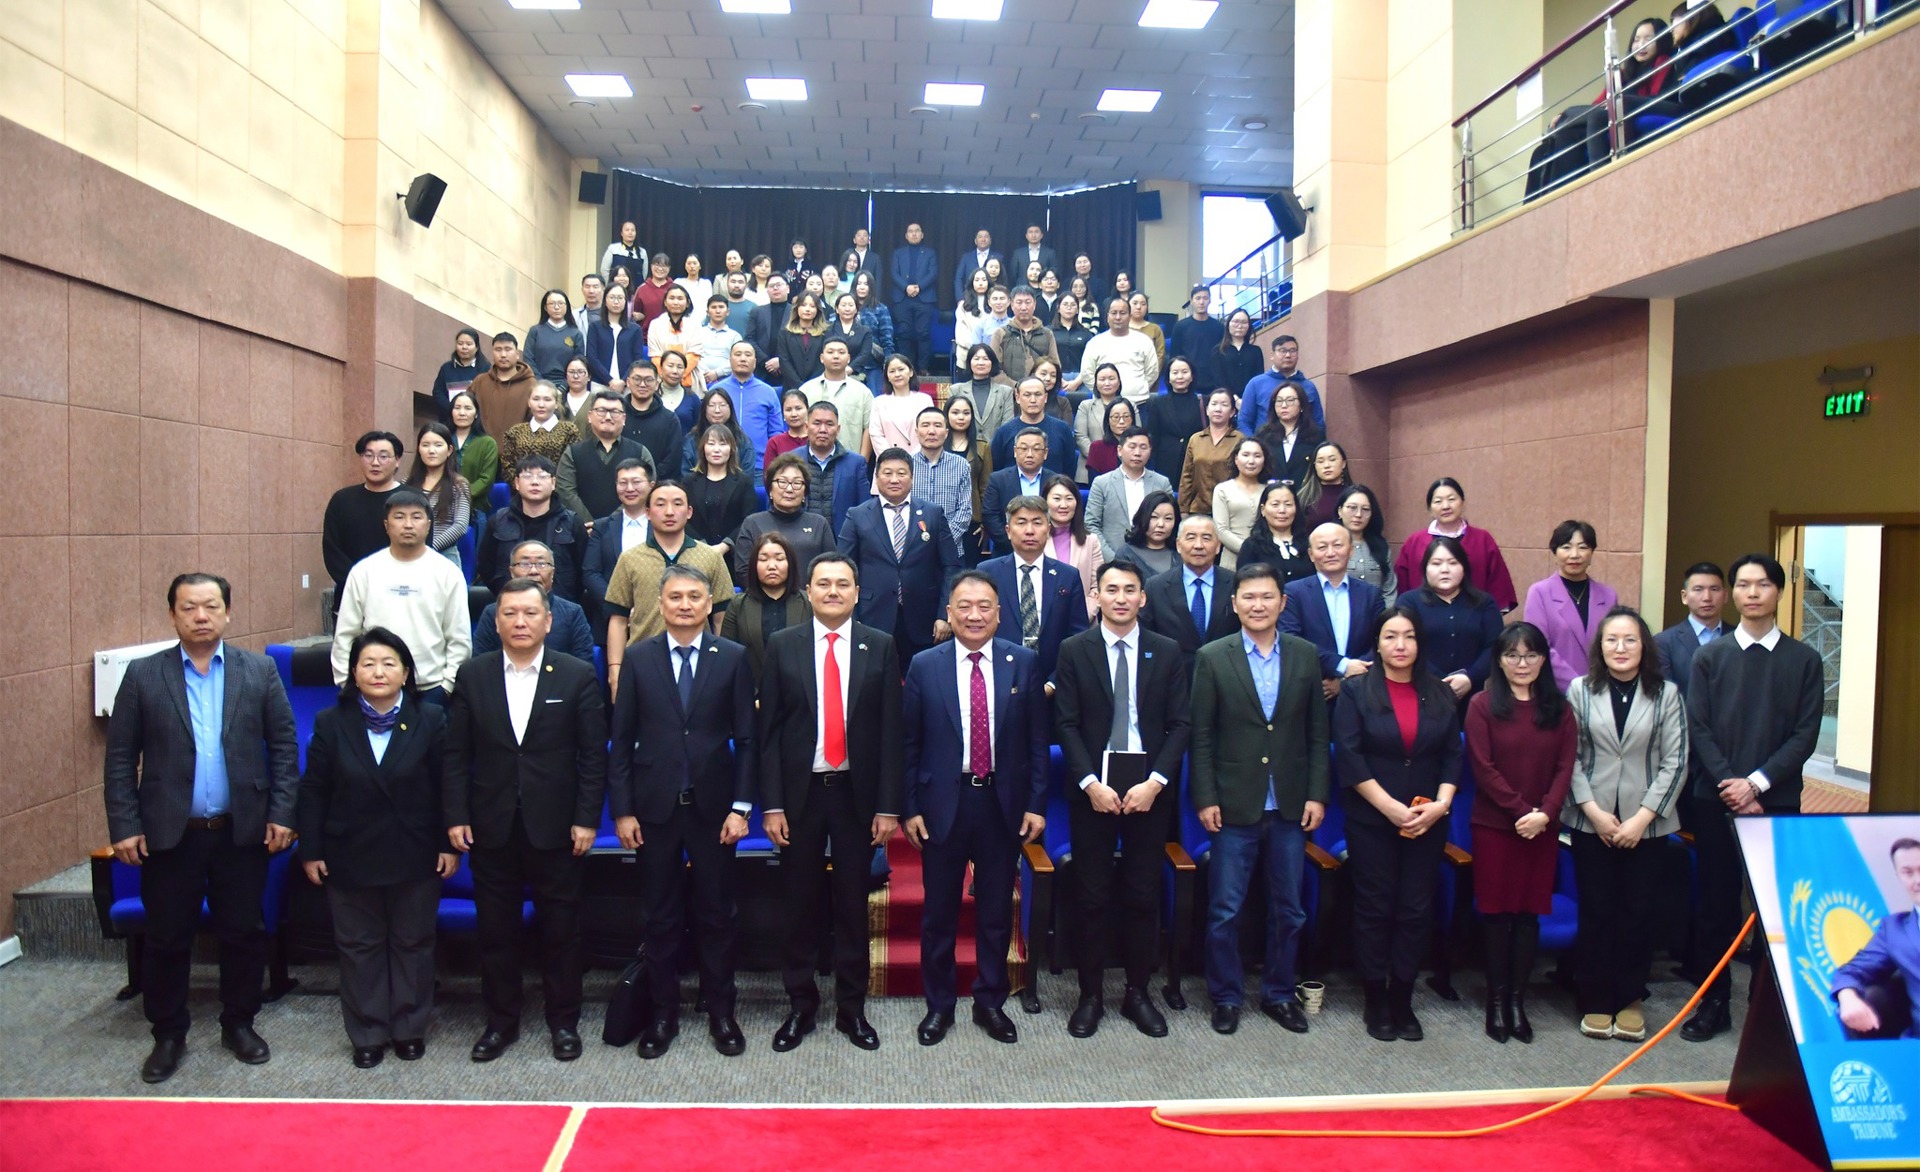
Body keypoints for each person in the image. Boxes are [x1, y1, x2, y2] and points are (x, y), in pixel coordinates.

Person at [103, 573, 300, 1084]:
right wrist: (124, 824)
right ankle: (168, 1033)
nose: (200, 616)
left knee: (243, 932)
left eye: (211, 606)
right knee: (167, 937)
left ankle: (239, 1023)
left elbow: (284, 747)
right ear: (172, 615)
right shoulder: (143, 675)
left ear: (228, 612)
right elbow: (121, 757)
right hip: (171, 831)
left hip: (241, 829)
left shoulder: (259, 671)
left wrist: (282, 813)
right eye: (189, 607)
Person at [445, 579, 607, 1064]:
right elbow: (456, 755)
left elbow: (592, 756)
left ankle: (564, 1022)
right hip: (491, 824)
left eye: (530, 613)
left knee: (562, 930)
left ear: (548, 621)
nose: (520, 622)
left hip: (557, 827)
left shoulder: (577, 674)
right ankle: (500, 1022)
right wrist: (456, 815)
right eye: (510, 613)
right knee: (497, 932)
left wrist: (586, 819)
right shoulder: (473, 674)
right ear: (495, 621)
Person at [607, 566, 757, 1059]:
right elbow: (621, 741)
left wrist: (741, 808)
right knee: (660, 917)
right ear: (660, 603)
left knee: (718, 916)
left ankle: (722, 1013)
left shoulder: (732, 657)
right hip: (654, 811)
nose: (686, 605)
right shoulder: (638, 658)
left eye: (695, 596)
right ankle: (663, 1014)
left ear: (709, 603)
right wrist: (623, 811)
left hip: (715, 812)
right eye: (676, 597)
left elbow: (747, 740)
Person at [758, 553, 904, 1052]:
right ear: (809, 592)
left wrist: (888, 806)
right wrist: (772, 804)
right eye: (824, 583)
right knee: (798, 905)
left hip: (855, 797)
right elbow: (769, 734)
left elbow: (891, 733)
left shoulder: (880, 645)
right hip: (799, 796)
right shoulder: (783, 645)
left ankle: (851, 1009)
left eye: (843, 583)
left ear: (857, 593)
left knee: (852, 906)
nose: (834, 591)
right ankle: (800, 1006)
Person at [297, 628, 457, 1069]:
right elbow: (313, 791)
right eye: (368, 664)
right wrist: (311, 849)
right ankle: (367, 1032)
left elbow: (447, 786)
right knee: (358, 946)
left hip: (415, 851)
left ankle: (408, 1028)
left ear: (406, 673)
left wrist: (448, 843)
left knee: (413, 943)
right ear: (353, 673)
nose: (379, 672)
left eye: (389, 663)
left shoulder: (431, 719)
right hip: (350, 852)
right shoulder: (332, 722)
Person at [1680, 553, 1824, 1042]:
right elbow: (1698, 727)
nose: (1753, 593)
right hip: (1715, 798)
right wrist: (1732, 785)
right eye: (1743, 585)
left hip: (1776, 803)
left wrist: (1757, 784)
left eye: (1763, 584)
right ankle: (1713, 1003)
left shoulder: (1804, 660)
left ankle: (1766, 1008)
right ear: (1732, 594)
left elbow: (1805, 735)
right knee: (1715, 904)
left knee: (1773, 909)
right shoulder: (1710, 657)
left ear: (1779, 592)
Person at [902, 571, 1048, 1046]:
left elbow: (1037, 742)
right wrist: (909, 807)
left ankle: (990, 1002)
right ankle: (939, 1005)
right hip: (943, 803)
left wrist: (1036, 804)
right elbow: (908, 744)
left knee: (994, 912)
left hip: (1002, 805)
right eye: (964, 606)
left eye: (985, 606)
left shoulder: (1023, 662)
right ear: (949, 613)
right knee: (939, 913)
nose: (974, 615)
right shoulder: (925, 665)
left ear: (999, 614)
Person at [1053, 560, 1192, 1038]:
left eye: (1129, 590)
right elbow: (1066, 724)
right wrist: (1090, 784)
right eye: (1111, 589)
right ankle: (1090, 995)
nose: (1120, 598)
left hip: (1148, 790)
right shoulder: (1075, 649)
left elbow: (1180, 725)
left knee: (1141, 893)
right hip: (1093, 790)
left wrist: (1155, 783)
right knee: (1091, 896)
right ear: (1097, 596)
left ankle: (1137, 992)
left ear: (1142, 597)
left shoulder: (1166, 650)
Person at [1190, 562, 1329, 1036]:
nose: (1258, 605)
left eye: (1267, 596)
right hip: (1233, 804)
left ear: (1282, 602)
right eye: (1248, 597)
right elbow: (1201, 736)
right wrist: (1205, 796)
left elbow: (1317, 733)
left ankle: (1279, 993)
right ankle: (1226, 997)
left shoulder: (1305, 655)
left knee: (1289, 909)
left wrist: (1316, 794)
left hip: (1289, 803)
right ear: (1234, 604)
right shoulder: (1213, 657)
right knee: (1225, 909)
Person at [1333, 602, 1462, 1042]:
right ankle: (1375, 998)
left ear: (1420, 642)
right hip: (1372, 819)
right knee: (1375, 908)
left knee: (1415, 909)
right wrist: (1389, 807)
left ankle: (1403, 998)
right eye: (1391, 636)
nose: (1400, 645)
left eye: (1408, 636)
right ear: (1377, 643)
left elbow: (1452, 755)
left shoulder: (1440, 692)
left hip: (1428, 818)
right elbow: (1349, 756)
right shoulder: (1356, 691)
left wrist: (1441, 805)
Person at [1561, 608, 1687, 1043]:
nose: (1620, 648)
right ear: (1600, 646)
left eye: (1630, 639)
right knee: (1597, 910)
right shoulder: (1580, 690)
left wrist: (1642, 818)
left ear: (1643, 646)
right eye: (1611, 639)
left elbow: (1676, 761)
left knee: (1638, 911)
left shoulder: (1666, 694)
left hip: (1646, 823)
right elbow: (1569, 756)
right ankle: (1595, 997)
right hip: (1590, 818)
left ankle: (1631, 997)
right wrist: (1593, 812)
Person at [1464, 622, 1577, 1045]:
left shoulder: (1560, 709)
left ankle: (1517, 1001)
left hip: (1542, 830)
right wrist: (1522, 812)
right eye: (1512, 655)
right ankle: (1496, 1002)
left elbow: (1565, 767)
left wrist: (1545, 814)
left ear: (1544, 659)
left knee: (1529, 915)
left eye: (1531, 655)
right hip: (1496, 826)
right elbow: (1483, 768)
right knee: (1497, 916)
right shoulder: (1481, 705)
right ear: (1500, 660)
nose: (1522, 663)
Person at [330, 489, 471, 704]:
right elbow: (345, 635)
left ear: (428, 525)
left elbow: (459, 639)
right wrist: (347, 683)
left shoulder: (448, 573)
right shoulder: (364, 571)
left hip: (431, 689)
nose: (408, 525)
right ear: (386, 525)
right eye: (399, 517)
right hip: (373, 689)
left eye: (416, 517)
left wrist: (447, 687)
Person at [838, 447, 961, 665]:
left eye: (901, 473)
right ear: (876, 477)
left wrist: (944, 615)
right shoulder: (857, 516)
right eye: (887, 473)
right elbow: (843, 569)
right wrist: (852, 618)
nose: (894, 479)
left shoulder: (933, 513)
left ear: (912, 477)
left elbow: (951, 566)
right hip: (872, 617)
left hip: (924, 619)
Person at [603, 480, 735, 677]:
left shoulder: (711, 557)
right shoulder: (629, 558)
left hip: (700, 665)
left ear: (689, 512)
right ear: (648, 513)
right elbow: (618, 620)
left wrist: (722, 667)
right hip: (643, 664)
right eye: (660, 504)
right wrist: (615, 670)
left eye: (678, 504)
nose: (669, 512)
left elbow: (721, 619)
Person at [978, 494, 1090, 682]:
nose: (1029, 531)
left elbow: (1078, 636)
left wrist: (1054, 683)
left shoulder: (1067, 576)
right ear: (1008, 531)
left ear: (1048, 530)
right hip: (998, 678)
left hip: (1054, 679)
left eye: (1037, 523)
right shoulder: (987, 573)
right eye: (1021, 523)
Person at [1282, 523, 1387, 704]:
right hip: (1312, 692)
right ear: (1311, 555)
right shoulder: (1293, 593)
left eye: (1337, 545)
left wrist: (1348, 679)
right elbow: (1291, 640)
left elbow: (1382, 641)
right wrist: (1342, 666)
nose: (1330, 553)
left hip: (1363, 693)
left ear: (1351, 550)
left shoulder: (1371, 594)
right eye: (1322, 547)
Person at [1403, 535, 1505, 711]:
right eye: (1436, 564)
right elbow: (1404, 645)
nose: (1445, 570)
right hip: (1421, 692)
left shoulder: (1484, 603)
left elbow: (1495, 645)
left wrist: (1469, 677)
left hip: (1472, 694)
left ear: (1464, 567)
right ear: (1425, 568)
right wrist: (1439, 681)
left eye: (1452, 563)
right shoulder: (1409, 602)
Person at [1832, 839, 1920, 1040]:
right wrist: (1847, 997)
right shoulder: (1894, 930)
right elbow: (1850, 971)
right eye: (1908, 872)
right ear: (1899, 876)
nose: (1917, 880)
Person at [1392, 477, 1519, 612]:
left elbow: (1498, 583)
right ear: (1430, 508)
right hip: (1423, 617)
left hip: (1474, 616)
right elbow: (1402, 586)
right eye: (1438, 501)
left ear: (1463, 503)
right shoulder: (1414, 542)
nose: (1446, 506)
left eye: (1451, 499)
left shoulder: (1483, 539)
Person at [475, 456, 590, 603]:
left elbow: (584, 569)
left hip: (560, 604)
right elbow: (486, 566)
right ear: (517, 483)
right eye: (528, 476)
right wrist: (504, 592)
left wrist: (565, 598)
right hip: (511, 603)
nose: (535, 482)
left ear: (553, 483)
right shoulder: (498, 521)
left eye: (542, 476)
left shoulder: (571, 522)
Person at [1525, 520, 1621, 691]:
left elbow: (1614, 645)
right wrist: (1577, 686)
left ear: (1592, 552)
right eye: (1566, 547)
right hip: (1555, 691)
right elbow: (1538, 646)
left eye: (1583, 547)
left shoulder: (1608, 596)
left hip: (1600, 690)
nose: (1575, 555)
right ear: (1555, 552)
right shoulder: (1540, 593)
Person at [1141, 515, 1239, 680]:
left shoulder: (1236, 584)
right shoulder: (1155, 587)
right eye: (1191, 537)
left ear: (1218, 546)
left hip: (1226, 678)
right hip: (1172, 679)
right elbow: (1147, 638)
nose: (1198, 545)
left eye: (1206, 538)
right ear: (1178, 545)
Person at [323, 430, 406, 617]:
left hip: (399, 599)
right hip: (351, 598)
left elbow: (421, 550)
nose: (375, 462)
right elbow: (333, 552)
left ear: (397, 460)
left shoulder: (411, 501)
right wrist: (359, 584)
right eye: (368, 455)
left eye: (383, 456)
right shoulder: (342, 500)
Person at [473, 540, 596, 662]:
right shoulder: (493, 612)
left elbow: (583, 665)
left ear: (552, 573)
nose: (533, 571)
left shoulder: (572, 613)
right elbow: (480, 663)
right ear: (512, 572)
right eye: (524, 564)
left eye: (541, 564)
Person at [720, 530, 812, 688]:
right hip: (752, 693)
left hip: (799, 693)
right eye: (763, 559)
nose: (772, 566)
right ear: (754, 565)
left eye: (779, 559)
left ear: (790, 563)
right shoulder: (738, 605)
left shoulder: (808, 603)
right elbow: (727, 655)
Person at [556, 390, 653, 527]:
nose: (608, 417)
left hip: (629, 526)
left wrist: (608, 525)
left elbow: (646, 490)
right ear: (590, 416)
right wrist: (588, 524)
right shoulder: (572, 452)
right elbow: (565, 491)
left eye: (615, 412)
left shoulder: (640, 452)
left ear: (624, 419)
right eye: (601, 411)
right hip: (580, 529)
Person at [732, 454, 834, 583]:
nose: (789, 489)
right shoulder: (752, 523)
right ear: (770, 490)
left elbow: (831, 567)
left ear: (805, 492)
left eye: (797, 483)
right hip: (764, 595)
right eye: (782, 482)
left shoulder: (819, 523)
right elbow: (743, 571)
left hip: (809, 595)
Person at [1085, 428, 1172, 560]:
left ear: (1150, 451)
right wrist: (1114, 559)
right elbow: (1091, 525)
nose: (1137, 453)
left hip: (1154, 559)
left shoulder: (1162, 483)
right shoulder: (1101, 483)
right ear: (1119, 450)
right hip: (1111, 558)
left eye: (1143, 447)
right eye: (1132, 447)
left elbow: (1171, 521)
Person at [1653, 561, 1731, 698]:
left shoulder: (1739, 637)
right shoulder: (1664, 642)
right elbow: (1665, 696)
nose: (1707, 598)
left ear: (1725, 596)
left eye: (1714, 589)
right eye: (1698, 589)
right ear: (1684, 597)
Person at [795, 401, 870, 536]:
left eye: (829, 424)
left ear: (838, 429)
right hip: (800, 538)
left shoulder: (855, 463)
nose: (823, 430)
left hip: (843, 539)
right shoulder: (791, 460)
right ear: (806, 427)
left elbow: (865, 508)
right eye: (817, 423)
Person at [405, 422, 473, 570]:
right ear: (418, 449)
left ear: (449, 450)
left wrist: (429, 547)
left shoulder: (459, 485)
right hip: (408, 554)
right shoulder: (406, 484)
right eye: (425, 445)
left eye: (438, 445)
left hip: (445, 555)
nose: (431, 451)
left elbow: (460, 526)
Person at [710, 340, 784, 475]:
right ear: (730, 360)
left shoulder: (768, 392)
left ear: (755, 362)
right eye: (738, 354)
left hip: (759, 467)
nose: (743, 359)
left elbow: (776, 432)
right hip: (721, 466)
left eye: (748, 355)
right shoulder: (716, 391)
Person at [685, 423, 757, 560]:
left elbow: (748, 520)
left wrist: (725, 546)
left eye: (723, 444)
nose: (716, 449)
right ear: (703, 448)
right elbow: (683, 518)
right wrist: (702, 546)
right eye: (711, 444)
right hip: (695, 554)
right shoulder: (689, 482)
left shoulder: (744, 482)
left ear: (732, 449)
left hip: (734, 555)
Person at [909, 406, 974, 550]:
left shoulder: (961, 465)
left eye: (938, 426)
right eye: (925, 425)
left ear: (946, 433)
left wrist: (943, 540)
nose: (931, 431)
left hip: (951, 548)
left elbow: (965, 511)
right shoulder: (906, 465)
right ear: (916, 432)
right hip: (912, 549)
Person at [983, 426, 1051, 555]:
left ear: (1045, 453)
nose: (1029, 454)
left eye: (1036, 449)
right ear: (1015, 451)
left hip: (1048, 550)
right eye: (1024, 449)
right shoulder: (998, 480)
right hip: (1006, 551)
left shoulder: (1054, 480)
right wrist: (1015, 542)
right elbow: (990, 516)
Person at [1076, 298, 1159, 403]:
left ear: (1130, 316)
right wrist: (1103, 392)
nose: (1118, 317)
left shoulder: (1144, 341)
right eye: (1114, 313)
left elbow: (1152, 372)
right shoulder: (1095, 343)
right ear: (1107, 317)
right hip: (1104, 404)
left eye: (1122, 313)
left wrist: (1139, 388)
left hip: (1139, 402)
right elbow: (1087, 373)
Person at [1238, 335, 1324, 435]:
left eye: (1292, 351)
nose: (1288, 355)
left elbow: (1319, 423)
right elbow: (1244, 422)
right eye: (1282, 351)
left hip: (1301, 442)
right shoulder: (1256, 384)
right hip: (1265, 442)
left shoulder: (1309, 387)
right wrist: (1254, 443)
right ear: (1272, 355)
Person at [991, 377, 1076, 478]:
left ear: (1045, 397)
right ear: (1017, 398)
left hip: (1052, 486)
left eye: (1038, 394)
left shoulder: (1062, 429)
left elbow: (1069, 469)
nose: (1033, 400)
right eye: (1027, 395)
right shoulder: (1004, 432)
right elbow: (997, 470)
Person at [942, 394, 992, 565]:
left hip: (972, 522)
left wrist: (985, 524)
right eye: (955, 412)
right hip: (943, 519)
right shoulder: (937, 446)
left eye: (966, 413)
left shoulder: (982, 447)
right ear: (946, 415)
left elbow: (985, 487)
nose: (961, 417)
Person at [497, 382, 581, 482]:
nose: (541, 405)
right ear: (529, 402)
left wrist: (550, 485)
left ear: (556, 404)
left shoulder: (569, 430)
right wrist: (526, 485)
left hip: (559, 489)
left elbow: (574, 466)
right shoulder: (515, 432)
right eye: (536, 399)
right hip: (521, 489)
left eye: (547, 399)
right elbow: (507, 467)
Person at [1043, 473, 1104, 609]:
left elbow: (1098, 586)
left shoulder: (1091, 541)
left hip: (1083, 617)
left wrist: (1083, 615)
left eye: (1069, 499)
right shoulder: (1035, 540)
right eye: (1057, 499)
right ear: (1045, 501)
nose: (1063, 505)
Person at [800, 338, 871, 454]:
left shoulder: (863, 392)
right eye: (830, 352)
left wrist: (862, 461)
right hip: (811, 460)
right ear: (822, 358)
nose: (836, 356)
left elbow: (868, 429)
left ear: (849, 358)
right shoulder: (806, 390)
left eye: (841, 352)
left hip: (850, 460)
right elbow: (799, 427)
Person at [1176, 387, 1239, 517]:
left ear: (1232, 412)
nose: (1218, 409)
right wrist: (1183, 509)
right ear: (1206, 410)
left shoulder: (1240, 440)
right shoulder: (1195, 439)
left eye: (1224, 405)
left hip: (1230, 510)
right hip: (1198, 509)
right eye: (1214, 404)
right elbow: (1187, 476)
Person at [1238, 480, 1315, 586]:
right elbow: (1243, 584)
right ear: (1263, 509)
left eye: (1288, 504)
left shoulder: (1308, 543)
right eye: (1275, 504)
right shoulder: (1252, 545)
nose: (1282, 510)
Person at [619, 360, 686, 481]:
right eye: (637, 379)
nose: (642, 384)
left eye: (648, 380)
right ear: (628, 382)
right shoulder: (617, 415)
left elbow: (672, 459)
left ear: (657, 383)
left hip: (657, 485)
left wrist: (649, 481)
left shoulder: (669, 419)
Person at [1211, 437, 1269, 573]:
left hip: (1266, 557)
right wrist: (1248, 550)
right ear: (1236, 459)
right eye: (1246, 455)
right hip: (1232, 560)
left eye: (1257, 456)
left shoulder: (1269, 490)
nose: (1251, 461)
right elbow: (1221, 530)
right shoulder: (1223, 489)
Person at [890, 223, 939, 374]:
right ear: (906, 236)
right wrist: (906, 287)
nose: (914, 234)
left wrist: (919, 287)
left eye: (917, 231)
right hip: (902, 298)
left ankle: (923, 367)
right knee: (903, 332)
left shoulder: (930, 253)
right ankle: (905, 367)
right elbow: (894, 273)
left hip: (924, 298)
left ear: (922, 235)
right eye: (910, 231)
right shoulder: (898, 253)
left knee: (923, 333)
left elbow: (933, 273)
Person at [1338, 485, 1397, 607]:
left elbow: (1389, 588)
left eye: (1365, 509)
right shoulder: (1331, 545)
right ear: (1340, 511)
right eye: (1352, 508)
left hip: (1378, 614)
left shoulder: (1381, 546)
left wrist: (1386, 615)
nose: (1358, 514)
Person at [1257, 383, 1323, 490]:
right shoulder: (1263, 434)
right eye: (1279, 401)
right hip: (1271, 495)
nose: (1284, 405)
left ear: (1302, 405)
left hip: (1305, 495)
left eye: (1290, 400)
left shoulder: (1315, 435)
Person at [469, 332, 537, 433]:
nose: (503, 355)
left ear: (517, 354)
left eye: (508, 349)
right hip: (482, 442)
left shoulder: (531, 385)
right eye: (498, 350)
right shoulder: (480, 381)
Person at [869, 353, 935, 456]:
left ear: (911, 372)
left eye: (901, 369)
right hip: (889, 461)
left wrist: (913, 458)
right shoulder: (878, 402)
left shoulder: (925, 400)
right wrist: (892, 458)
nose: (897, 374)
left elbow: (929, 431)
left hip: (920, 459)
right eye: (892, 371)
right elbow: (876, 435)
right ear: (887, 376)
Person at [993, 286, 1059, 387]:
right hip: (1008, 391)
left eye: (1028, 302)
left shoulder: (1047, 334)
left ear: (1034, 304)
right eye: (1019, 302)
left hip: (1040, 391)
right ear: (1012, 305)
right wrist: (1018, 387)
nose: (1023, 307)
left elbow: (1055, 365)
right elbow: (994, 369)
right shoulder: (1001, 333)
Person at [951, 343, 1016, 440]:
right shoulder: (956, 390)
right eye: (976, 359)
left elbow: (1008, 425)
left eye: (985, 359)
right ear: (969, 362)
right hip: (964, 445)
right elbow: (951, 423)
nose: (981, 363)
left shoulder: (1005, 392)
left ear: (992, 363)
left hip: (996, 446)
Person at [448, 391, 498, 516]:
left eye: (468, 408)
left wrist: (461, 496)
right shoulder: (443, 440)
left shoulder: (487, 443)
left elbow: (486, 479)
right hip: (443, 505)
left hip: (475, 508)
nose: (462, 413)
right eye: (457, 408)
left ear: (476, 414)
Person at [523, 289, 586, 385]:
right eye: (552, 304)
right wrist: (540, 383)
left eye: (560, 303)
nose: (556, 307)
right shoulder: (535, 331)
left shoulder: (575, 334)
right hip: (539, 385)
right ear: (545, 307)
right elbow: (528, 359)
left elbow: (579, 363)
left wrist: (564, 387)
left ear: (567, 306)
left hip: (568, 386)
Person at [1295, 440, 1353, 534]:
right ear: (1314, 466)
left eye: (1332, 460)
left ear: (1343, 463)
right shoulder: (1304, 497)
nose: (1326, 465)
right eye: (1320, 461)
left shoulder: (1353, 496)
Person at [1168, 285, 1226, 380]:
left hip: (1213, 379)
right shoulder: (1180, 326)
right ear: (1191, 301)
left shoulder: (1219, 327)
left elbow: (1222, 355)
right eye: (1198, 298)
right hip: (1187, 378)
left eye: (1205, 298)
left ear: (1210, 301)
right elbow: (1174, 357)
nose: (1201, 302)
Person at [825, 291, 881, 388]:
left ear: (856, 310)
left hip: (856, 374)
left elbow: (865, 354)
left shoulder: (865, 331)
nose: (847, 308)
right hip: (831, 373)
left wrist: (850, 368)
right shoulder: (828, 329)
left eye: (851, 305)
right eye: (843, 305)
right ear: (837, 309)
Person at [776, 292, 830, 392]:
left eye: (812, 306)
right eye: (804, 305)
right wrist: (798, 385)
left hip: (817, 388)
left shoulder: (825, 334)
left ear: (817, 310)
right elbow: (784, 361)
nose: (808, 309)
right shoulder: (785, 333)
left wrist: (811, 385)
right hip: (791, 388)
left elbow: (825, 361)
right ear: (797, 308)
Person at [1119, 491, 1180, 579]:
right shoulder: (1126, 553)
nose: (1161, 524)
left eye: (1168, 518)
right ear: (1142, 517)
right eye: (1154, 517)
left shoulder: (1181, 553)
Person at [746, 274, 793, 384]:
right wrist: (766, 361)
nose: (775, 288)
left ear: (788, 289)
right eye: (771, 286)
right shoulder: (757, 312)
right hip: (761, 370)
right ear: (767, 291)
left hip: (789, 371)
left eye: (779, 285)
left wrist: (781, 361)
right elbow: (749, 339)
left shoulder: (796, 312)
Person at [430, 328, 483, 421]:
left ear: (477, 347)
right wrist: (453, 409)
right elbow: (438, 392)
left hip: (475, 420)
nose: (464, 347)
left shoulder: (484, 368)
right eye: (460, 343)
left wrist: (470, 411)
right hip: (448, 419)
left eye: (469, 344)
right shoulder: (446, 368)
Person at [1213, 308, 1265, 403]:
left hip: (1251, 401)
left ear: (1249, 326)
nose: (1239, 326)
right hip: (1225, 401)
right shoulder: (1218, 350)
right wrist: (1235, 399)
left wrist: (1247, 400)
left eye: (1244, 322)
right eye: (1236, 321)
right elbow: (1218, 380)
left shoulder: (1255, 351)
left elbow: (1259, 378)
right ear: (1228, 324)